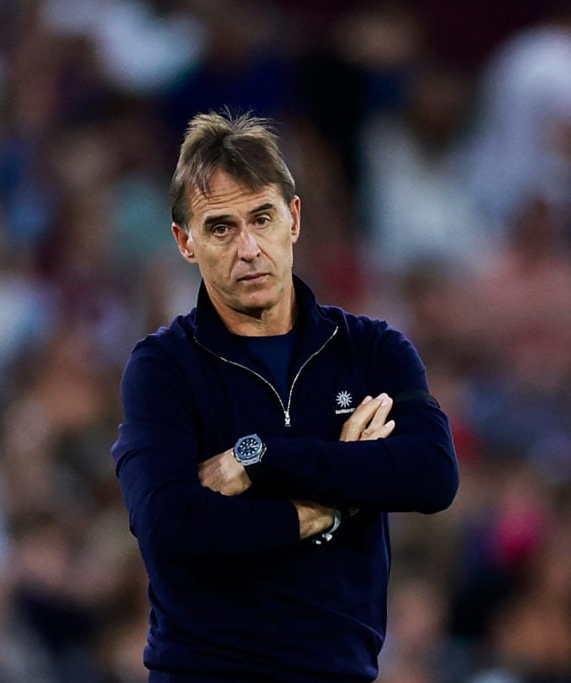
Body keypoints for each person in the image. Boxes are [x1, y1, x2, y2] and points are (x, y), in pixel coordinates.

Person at [111, 111, 459, 682]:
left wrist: (260, 457)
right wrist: (334, 501)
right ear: (185, 242)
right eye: (221, 228)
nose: (248, 248)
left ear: (293, 220)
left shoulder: (370, 349)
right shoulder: (162, 368)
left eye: (262, 218)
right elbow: (172, 529)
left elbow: (432, 474)